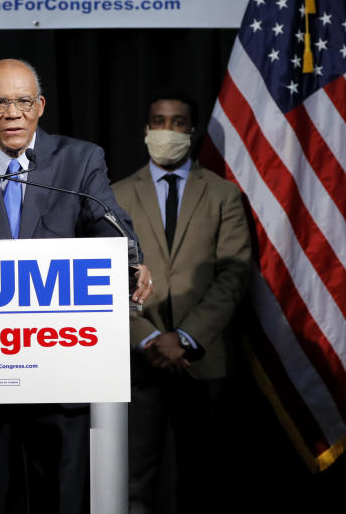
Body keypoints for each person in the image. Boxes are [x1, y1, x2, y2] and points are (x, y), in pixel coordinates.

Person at [0, 58, 153, 514]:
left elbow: (108, 226)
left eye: (24, 101)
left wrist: (130, 261)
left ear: (40, 106)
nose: (13, 113)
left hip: (59, 366)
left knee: (60, 500)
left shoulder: (79, 160)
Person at [111, 96, 251, 513]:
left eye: (177, 122)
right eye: (158, 121)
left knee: (204, 478)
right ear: (145, 129)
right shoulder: (115, 195)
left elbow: (234, 273)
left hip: (202, 359)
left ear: (191, 131)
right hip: (138, 360)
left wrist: (186, 337)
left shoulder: (223, 195)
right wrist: (152, 337)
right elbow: (107, 278)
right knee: (135, 480)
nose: (166, 131)